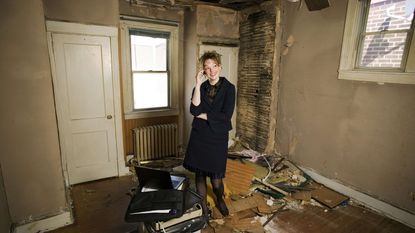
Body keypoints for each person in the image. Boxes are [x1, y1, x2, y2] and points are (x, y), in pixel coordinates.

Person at [183, 51, 236, 218]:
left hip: (217, 137)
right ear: (203, 71)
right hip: (200, 136)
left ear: (219, 67)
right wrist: (197, 84)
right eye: (207, 68)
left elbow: (226, 116)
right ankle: (204, 209)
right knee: (200, 175)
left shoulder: (229, 88)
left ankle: (219, 199)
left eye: (214, 66)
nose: (211, 71)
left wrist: (204, 115)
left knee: (216, 177)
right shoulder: (200, 87)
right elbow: (194, 110)